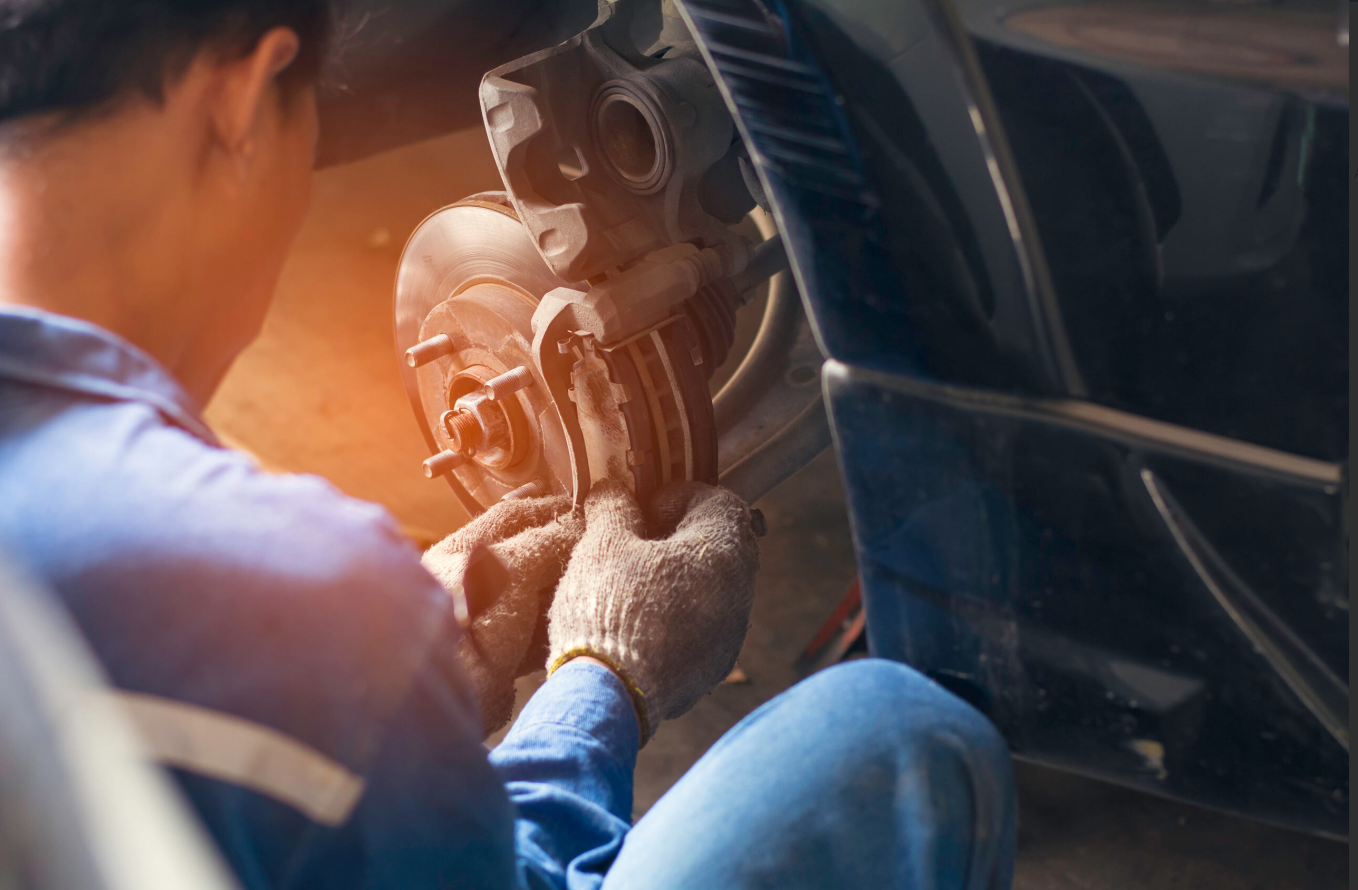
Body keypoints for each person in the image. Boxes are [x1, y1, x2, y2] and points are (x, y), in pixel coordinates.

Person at [0, 2, 1017, 888]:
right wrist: (598, 679)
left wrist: (381, 686)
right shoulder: (282, 583)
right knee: (901, 742)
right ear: (243, 102)